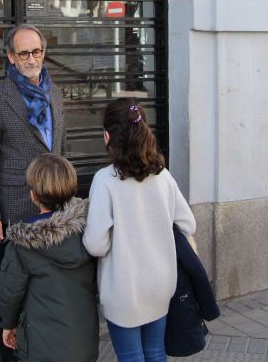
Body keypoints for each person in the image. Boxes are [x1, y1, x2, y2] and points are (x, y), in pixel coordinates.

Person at [0, 24, 68, 362]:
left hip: (53, 214)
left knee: (46, 290)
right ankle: (10, 355)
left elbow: (62, 153)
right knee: (11, 293)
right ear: (12, 58)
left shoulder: (55, 94)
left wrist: (67, 204)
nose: (32, 59)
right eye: (24, 53)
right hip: (13, 212)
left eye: (37, 52)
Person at [83, 98, 196, 362]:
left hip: (124, 289)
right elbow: (188, 224)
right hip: (161, 283)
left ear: (108, 135)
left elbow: (96, 244)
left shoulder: (105, 180)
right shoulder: (163, 175)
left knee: (131, 356)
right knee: (156, 353)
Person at [0, 154, 99, 362]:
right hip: (83, 341)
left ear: (33, 195)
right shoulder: (89, 230)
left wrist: (8, 325)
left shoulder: (22, 244)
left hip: (42, 347)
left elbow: (11, 292)